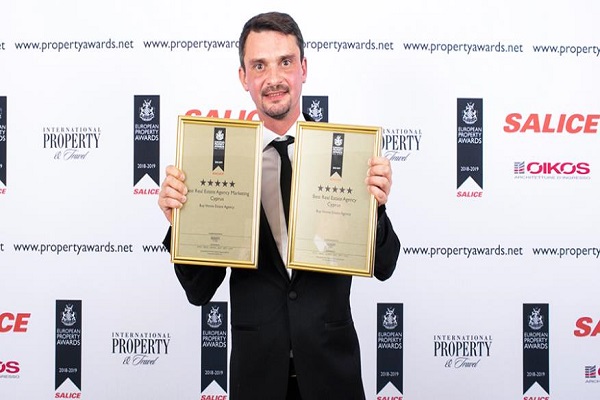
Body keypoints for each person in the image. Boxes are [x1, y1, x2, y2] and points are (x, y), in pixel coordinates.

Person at [158, 11, 400, 400]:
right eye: (259, 66)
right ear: (244, 77)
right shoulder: (219, 166)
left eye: (285, 62)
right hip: (257, 380)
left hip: (332, 378)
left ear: (304, 68)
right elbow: (198, 290)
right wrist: (182, 222)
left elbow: (385, 265)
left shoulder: (347, 157)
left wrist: (376, 207)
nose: (273, 78)